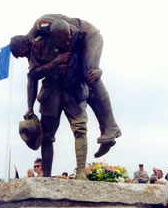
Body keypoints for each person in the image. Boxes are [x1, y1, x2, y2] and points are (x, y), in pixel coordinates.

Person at [26, 14, 122, 157]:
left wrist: (98, 70)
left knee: (89, 73)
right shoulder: (40, 41)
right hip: (73, 41)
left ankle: (110, 127)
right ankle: (109, 129)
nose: (67, 42)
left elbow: (70, 40)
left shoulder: (43, 25)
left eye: (68, 39)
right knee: (84, 75)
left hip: (91, 36)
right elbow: (34, 74)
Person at [10, 33, 89, 179]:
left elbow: (83, 59)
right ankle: (46, 176)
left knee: (80, 129)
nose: (23, 56)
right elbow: (33, 76)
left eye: (20, 54)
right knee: (47, 136)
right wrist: (30, 107)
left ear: (22, 45)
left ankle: (81, 172)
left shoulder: (58, 39)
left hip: (73, 89)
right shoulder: (35, 49)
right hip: (51, 92)